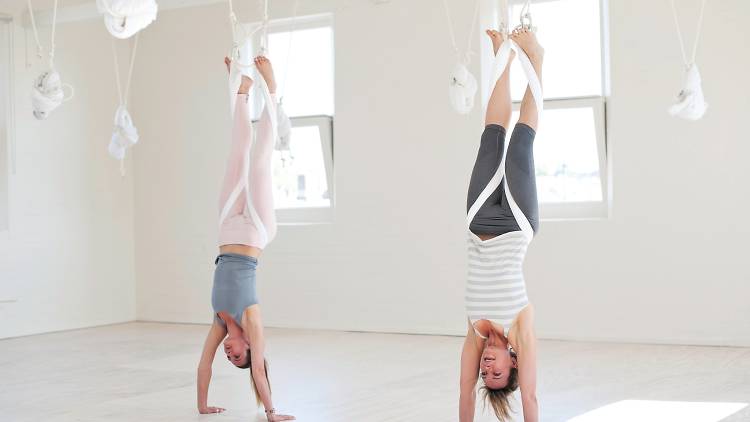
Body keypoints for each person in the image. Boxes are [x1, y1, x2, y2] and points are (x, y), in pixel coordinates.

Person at [195, 55, 294, 422]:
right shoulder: (252, 322)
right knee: (259, 162)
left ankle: (241, 92)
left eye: (230, 356)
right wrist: (271, 412)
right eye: (236, 355)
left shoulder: (220, 321)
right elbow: (258, 372)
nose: (228, 353)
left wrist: (202, 405)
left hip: (225, 230)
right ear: (249, 346)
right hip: (255, 231)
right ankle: (271, 88)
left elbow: (202, 364)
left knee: (236, 156)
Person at [459, 27, 544, 422]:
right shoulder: (520, 331)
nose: (487, 368)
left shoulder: (475, 332)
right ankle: (536, 60)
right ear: (512, 363)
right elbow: (530, 397)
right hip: (518, 222)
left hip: (478, 219)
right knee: (521, 144)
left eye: (485, 374)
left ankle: (502, 60)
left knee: (491, 138)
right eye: (497, 373)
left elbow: (463, 392)